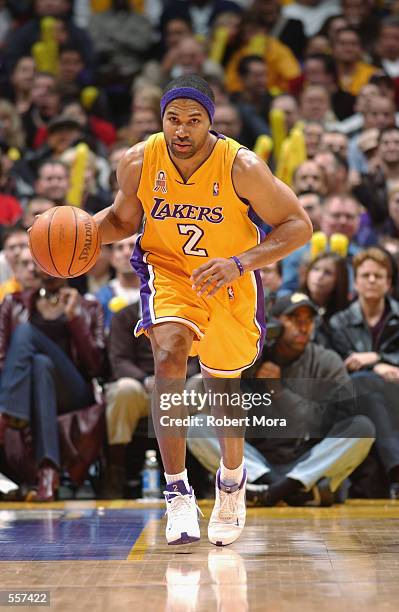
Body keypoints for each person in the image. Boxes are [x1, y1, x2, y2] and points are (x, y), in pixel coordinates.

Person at [91, 74, 312, 546]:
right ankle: (177, 492)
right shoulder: (138, 161)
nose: (182, 131)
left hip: (229, 279)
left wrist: (241, 262)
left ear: (211, 123)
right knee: (168, 355)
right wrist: (77, 232)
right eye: (174, 119)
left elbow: (298, 225)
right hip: (168, 270)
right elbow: (121, 221)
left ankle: (232, 482)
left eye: (194, 121)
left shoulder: (242, 166)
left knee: (221, 383)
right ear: (162, 120)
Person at [187, 293, 375, 506]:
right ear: (274, 323)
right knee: (197, 426)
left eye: (308, 321)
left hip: (308, 459)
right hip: (254, 459)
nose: (303, 327)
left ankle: (272, 491)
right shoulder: (249, 356)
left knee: (362, 428)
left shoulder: (326, 361)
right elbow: (201, 397)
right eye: (294, 319)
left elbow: (321, 424)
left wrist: (279, 391)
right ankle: (292, 490)